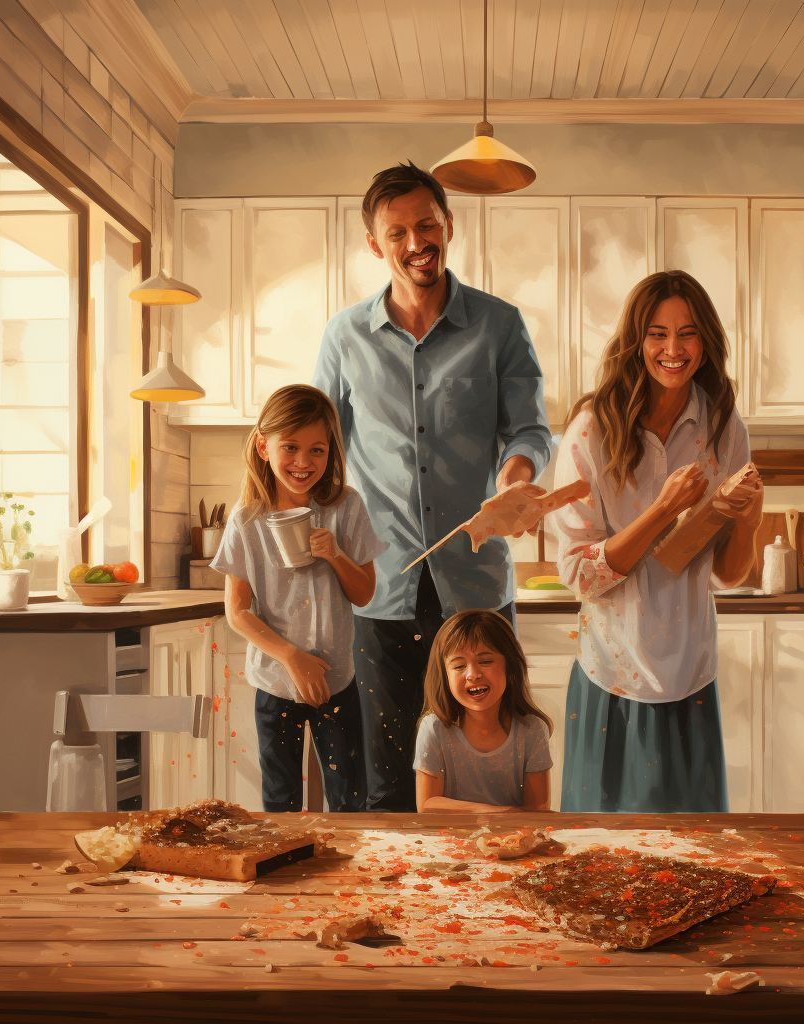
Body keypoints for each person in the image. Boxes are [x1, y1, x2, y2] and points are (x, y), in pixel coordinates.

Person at [312, 161, 553, 811]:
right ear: (374, 244)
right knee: (386, 780)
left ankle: (485, 910)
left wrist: (516, 477)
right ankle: (398, 907)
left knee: (492, 772)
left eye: (427, 225)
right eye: (397, 233)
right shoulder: (344, 337)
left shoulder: (499, 327)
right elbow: (319, 450)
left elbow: (530, 431)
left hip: (476, 586)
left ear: (449, 224)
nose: (416, 242)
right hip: (379, 592)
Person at [550, 270, 763, 814]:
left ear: (706, 341)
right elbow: (580, 576)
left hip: (692, 673)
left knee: (696, 858)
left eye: (688, 333)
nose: (674, 349)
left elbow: (728, 573)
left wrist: (750, 520)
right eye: (657, 333)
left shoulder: (723, 427)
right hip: (613, 676)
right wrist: (663, 509)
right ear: (635, 340)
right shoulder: (591, 431)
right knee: (604, 858)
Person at [211, 384, 378, 813]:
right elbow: (237, 612)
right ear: (263, 447)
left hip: (336, 680)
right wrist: (292, 657)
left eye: (317, 450)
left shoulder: (347, 507)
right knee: (280, 802)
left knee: (349, 801)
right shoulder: (246, 521)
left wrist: (337, 554)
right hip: (275, 683)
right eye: (291, 447)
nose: (303, 462)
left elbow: (364, 593)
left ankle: (347, 876)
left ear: (331, 452)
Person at [414, 609, 553, 813]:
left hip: (514, 839)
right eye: (459, 666)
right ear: (444, 676)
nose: (473, 674)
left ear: (510, 668)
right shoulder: (435, 727)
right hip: (450, 839)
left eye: (485, 661)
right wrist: (496, 813)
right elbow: (427, 805)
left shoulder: (531, 729)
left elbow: (538, 810)